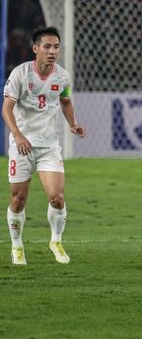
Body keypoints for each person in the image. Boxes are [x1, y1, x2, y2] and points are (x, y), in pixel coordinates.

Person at [2, 27, 87, 265]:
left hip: (49, 146)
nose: (52, 51)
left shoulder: (62, 77)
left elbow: (66, 100)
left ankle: (56, 240)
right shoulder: (20, 74)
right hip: (22, 146)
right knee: (18, 199)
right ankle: (17, 245)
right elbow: (6, 108)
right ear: (36, 48)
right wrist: (18, 135)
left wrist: (73, 123)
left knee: (56, 197)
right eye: (47, 46)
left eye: (56, 47)